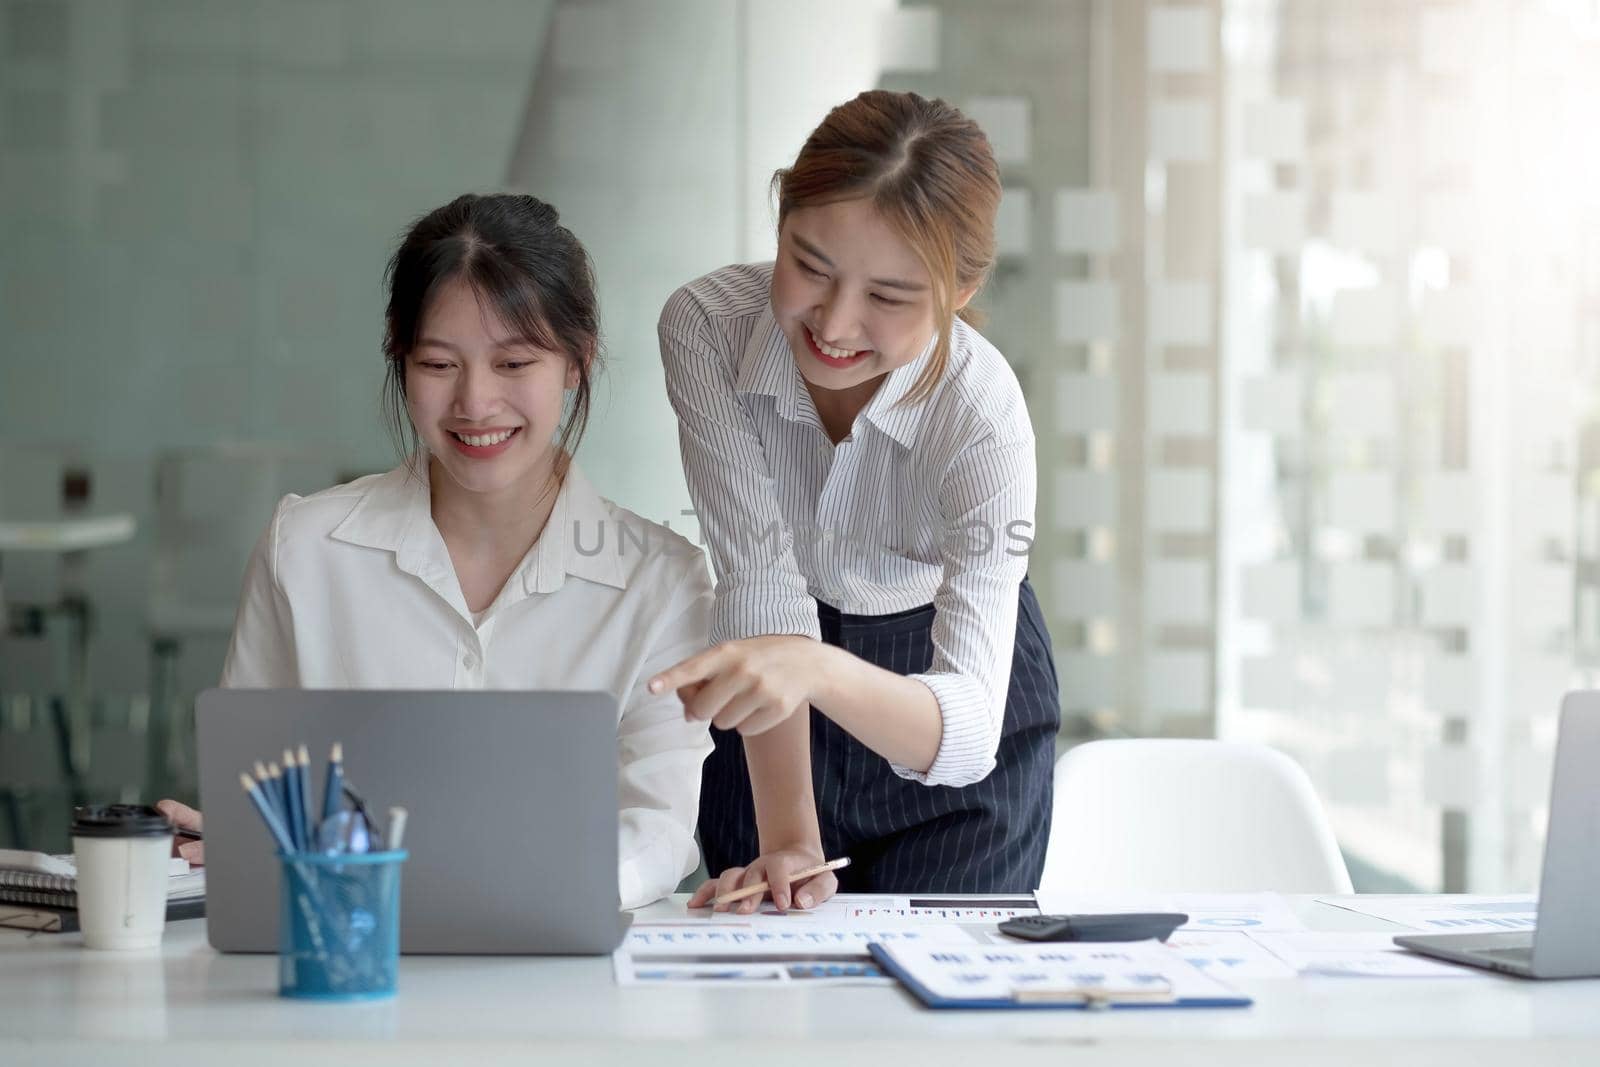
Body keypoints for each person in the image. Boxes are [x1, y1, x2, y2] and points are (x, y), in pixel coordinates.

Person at [158, 193, 714, 910]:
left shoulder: (661, 580)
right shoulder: (307, 550)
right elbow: (259, 795)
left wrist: (515, 888)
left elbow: (660, 824)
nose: (475, 403)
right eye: (439, 363)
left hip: (557, 970)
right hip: (348, 961)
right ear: (400, 352)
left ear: (577, 363)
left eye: (514, 362)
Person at [652, 90, 1060, 913]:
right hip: (773, 707)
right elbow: (761, 581)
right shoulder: (706, 326)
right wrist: (790, 837)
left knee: (929, 1016)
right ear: (781, 219)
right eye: (810, 266)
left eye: (890, 296)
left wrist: (811, 667)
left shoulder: (982, 417)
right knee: (767, 995)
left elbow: (972, 729)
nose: (835, 324)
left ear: (960, 287)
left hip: (940, 691)